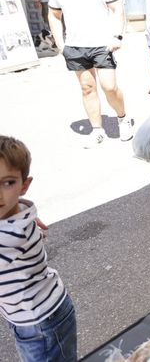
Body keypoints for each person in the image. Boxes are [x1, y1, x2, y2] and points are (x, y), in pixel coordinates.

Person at [0, 135, 78, 362]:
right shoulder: (18, 210)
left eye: (7, 183)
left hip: (41, 323)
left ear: (24, 185)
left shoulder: (9, 236)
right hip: (33, 314)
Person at [48, 0, 133, 147]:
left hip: (102, 44)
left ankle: (122, 118)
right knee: (87, 87)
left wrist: (117, 37)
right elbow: (53, 15)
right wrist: (61, 44)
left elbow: (117, 9)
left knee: (109, 87)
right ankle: (97, 129)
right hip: (76, 45)